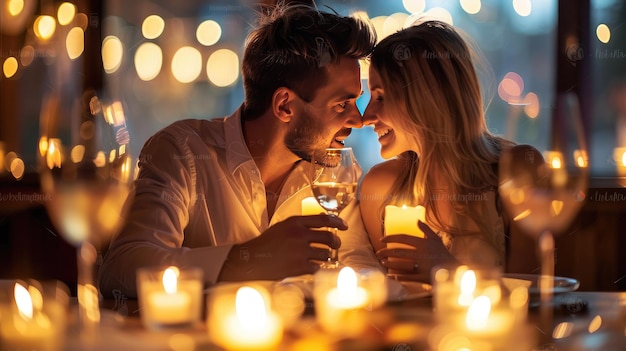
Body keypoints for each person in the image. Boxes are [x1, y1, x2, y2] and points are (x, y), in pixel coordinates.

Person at [98, 2, 381, 298]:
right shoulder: (183, 152)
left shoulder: (334, 172)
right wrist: (249, 259)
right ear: (284, 105)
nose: (359, 121)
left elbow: (358, 261)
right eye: (342, 104)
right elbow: (122, 268)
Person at [359, 20, 538, 283]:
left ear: (427, 98)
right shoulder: (380, 187)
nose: (366, 116)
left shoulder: (519, 169)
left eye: (381, 97)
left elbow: (534, 298)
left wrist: (446, 270)